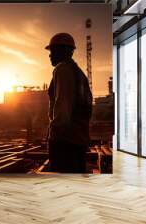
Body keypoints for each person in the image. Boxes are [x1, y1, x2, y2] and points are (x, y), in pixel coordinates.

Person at [45, 33, 93, 173]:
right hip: (78, 139)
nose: (50, 55)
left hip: (65, 141)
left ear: (64, 51)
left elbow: (63, 107)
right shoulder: (79, 73)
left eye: (52, 51)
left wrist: (53, 135)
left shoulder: (62, 69)